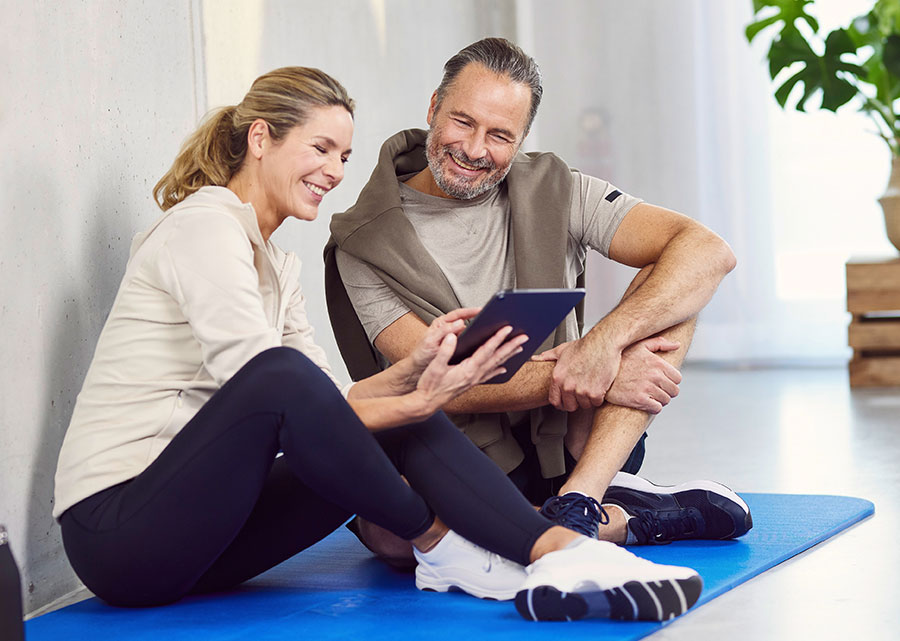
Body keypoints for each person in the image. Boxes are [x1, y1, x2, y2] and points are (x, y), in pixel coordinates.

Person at [52, 66, 703, 623]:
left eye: (343, 155)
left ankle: (551, 550)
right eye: (320, 149)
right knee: (296, 380)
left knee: (380, 411)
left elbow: (324, 409)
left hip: (211, 540)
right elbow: (268, 386)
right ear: (260, 139)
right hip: (121, 536)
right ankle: (455, 548)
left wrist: (420, 374)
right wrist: (420, 397)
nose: (334, 171)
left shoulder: (279, 265)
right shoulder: (204, 227)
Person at [325, 38, 751, 562]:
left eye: (500, 135)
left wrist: (604, 345)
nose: (475, 150)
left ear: (522, 138)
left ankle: (581, 500)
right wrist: (591, 372)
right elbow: (431, 385)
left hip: (572, 440)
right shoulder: (362, 242)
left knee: (674, 287)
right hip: (456, 447)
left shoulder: (557, 188)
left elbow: (709, 252)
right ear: (434, 107)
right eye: (463, 122)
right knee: (391, 539)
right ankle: (618, 521)